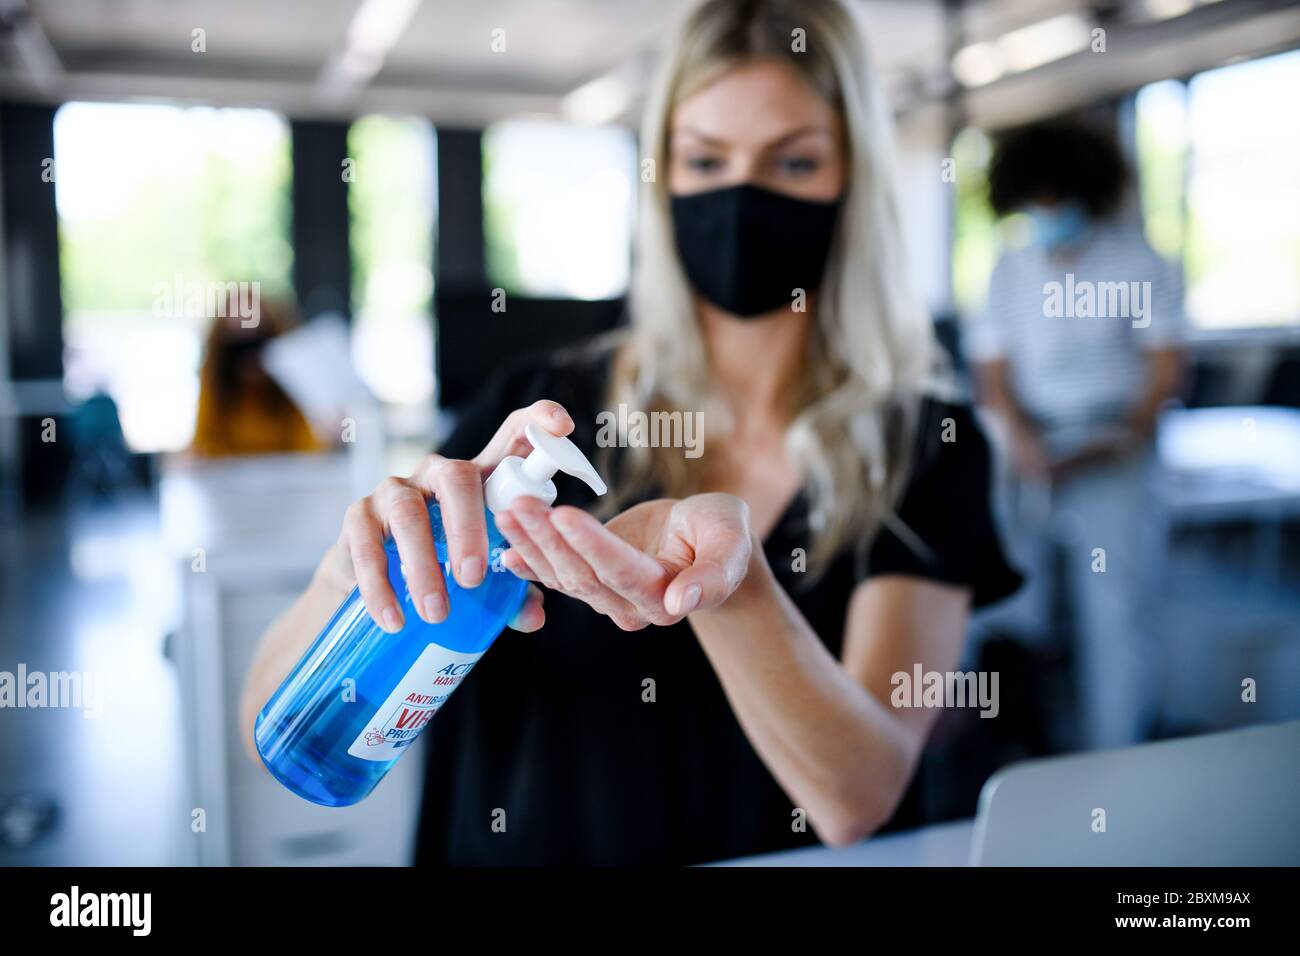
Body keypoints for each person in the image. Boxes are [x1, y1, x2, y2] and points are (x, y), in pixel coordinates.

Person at [241, 0, 1021, 865]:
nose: (742, 196)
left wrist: (730, 588)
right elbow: (265, 726)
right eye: (705, 159)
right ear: (664, 181)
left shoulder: (924, 445)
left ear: (854, 181)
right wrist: (342, 584)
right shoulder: (535, 411)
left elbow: (855, 796)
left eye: (793, 161)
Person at [966, 121, 1183, 750]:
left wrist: (1120, 438)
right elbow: (993, 372)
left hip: (1113, 453)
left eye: (1059, 198)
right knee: (1013, 613)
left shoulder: (1140, 261)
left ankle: (1115, 761)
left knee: (1115, 617)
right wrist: (1024, 442)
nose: (1049, 211)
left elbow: (1163, 371)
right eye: (1038, 200)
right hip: (1031, 456)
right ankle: (1025, 750)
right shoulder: (1010, 268)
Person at [190, 298, 326, 458]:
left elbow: (310, 451)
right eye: (237, 347)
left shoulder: (289, 388)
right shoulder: (214, 387)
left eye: (256, 343)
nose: (249, 358)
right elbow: (203, 448)